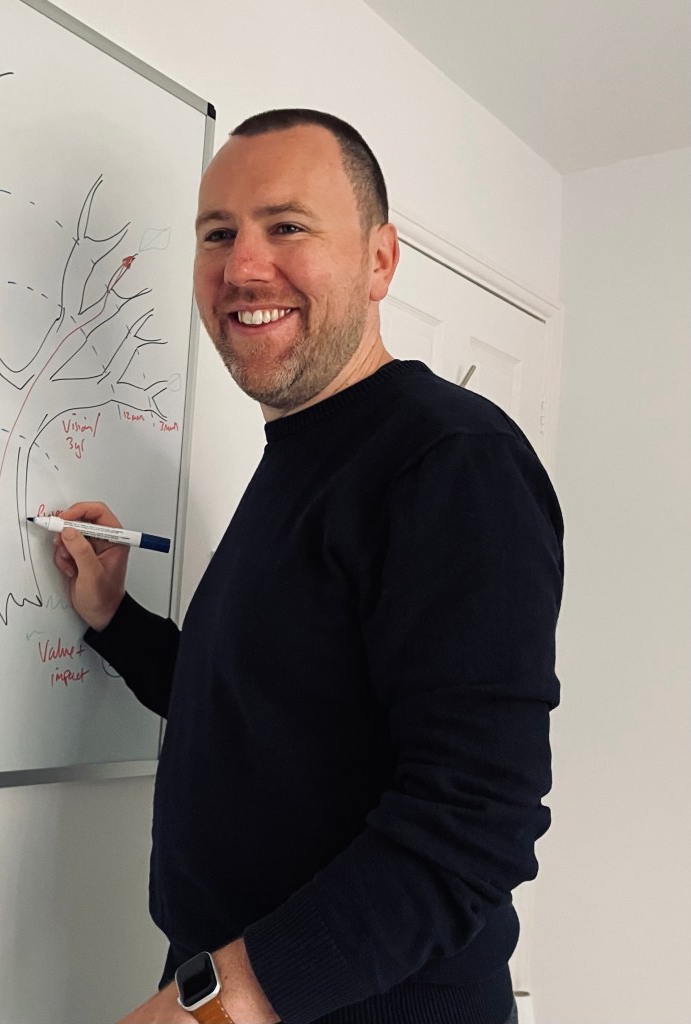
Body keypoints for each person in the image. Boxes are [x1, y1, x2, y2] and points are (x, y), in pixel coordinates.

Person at [51, 109, 562, 1024]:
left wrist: (210, 1010)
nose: (244, 267)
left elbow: (473, 826)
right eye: (218, 234)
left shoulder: (451, 459)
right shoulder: (298, 459)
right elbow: (255, 711)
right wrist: (115, 620)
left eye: (287, 226)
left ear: (380, 261)